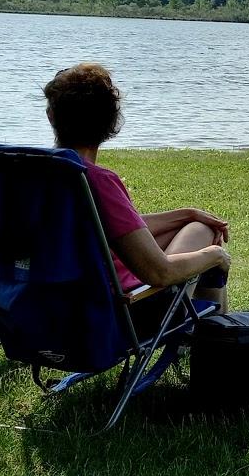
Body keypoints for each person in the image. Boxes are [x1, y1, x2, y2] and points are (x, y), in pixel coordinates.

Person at [44, 63, 231, 313]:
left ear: (51, 116)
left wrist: (185, 214)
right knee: (203, 234)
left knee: (195, 225)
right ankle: (214, 337)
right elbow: (160, 273)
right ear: (110, 124)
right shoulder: (94, 181)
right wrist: (215, 256)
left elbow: (107, 228)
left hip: (36, 308)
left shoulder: (25, 175)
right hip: (114, 314)